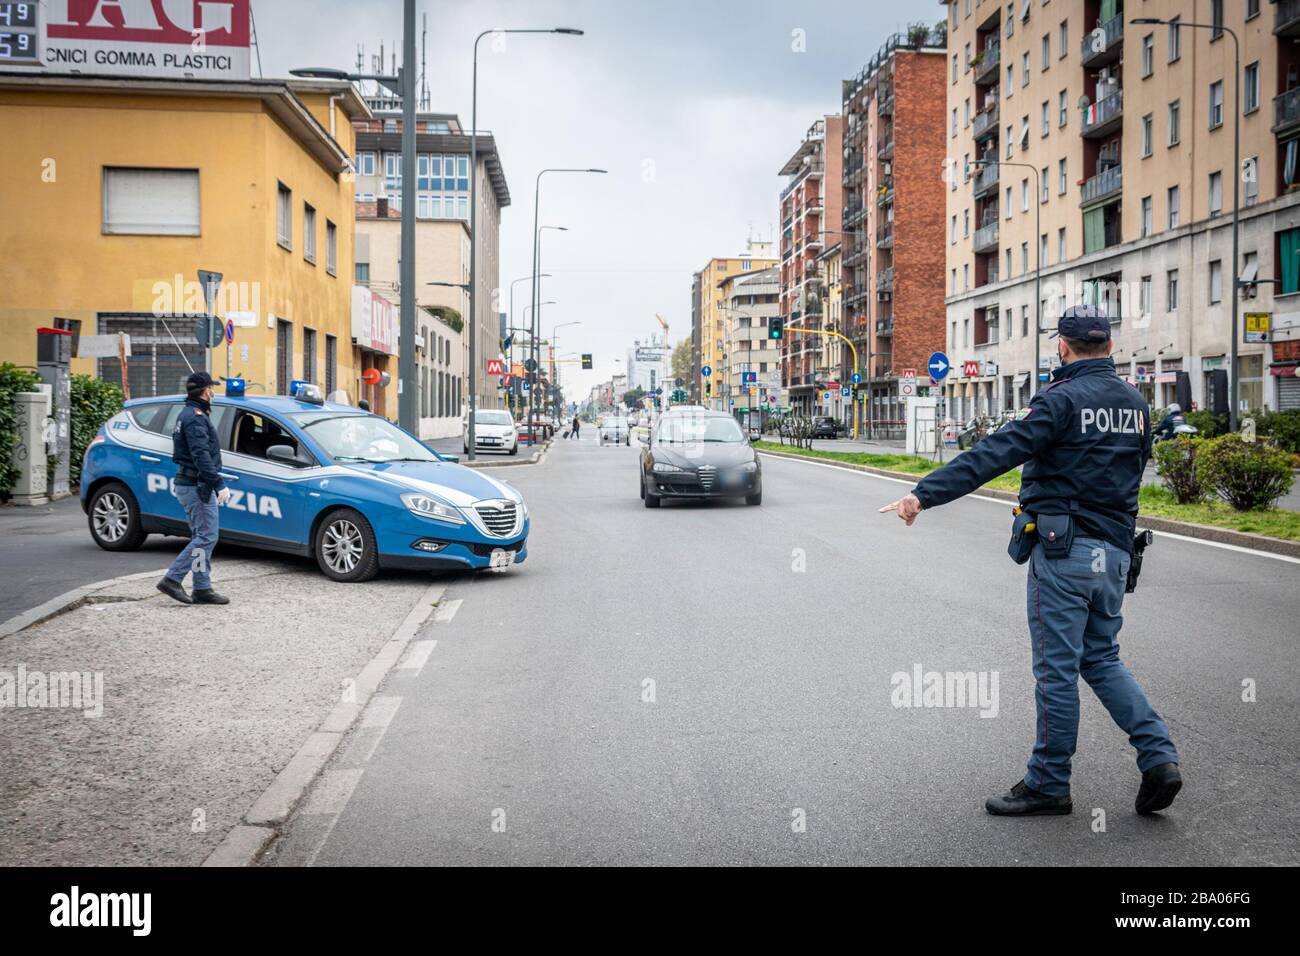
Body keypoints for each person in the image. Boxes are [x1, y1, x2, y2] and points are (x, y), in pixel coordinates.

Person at [880, 305, 1180, 817]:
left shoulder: (1059, 401)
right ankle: (1159, 757)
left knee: (1057, 671)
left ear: (1062, 346)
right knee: (1101, 658)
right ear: (1108, 346)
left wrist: (922, 495)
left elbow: (993, 454)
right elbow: (1130, 474)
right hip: (1113, 553)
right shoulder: (1136, 403)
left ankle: (1048, 783)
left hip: (1064, 555)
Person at [157, 372, 230, 605]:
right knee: (207, 536)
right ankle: (172, 578)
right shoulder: (195, 418)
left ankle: (201, 587)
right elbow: (201, 455)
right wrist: (218, 484)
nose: (214, 392)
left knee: (202, 537)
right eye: (212, 388)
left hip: (191, 484)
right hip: (197, 486)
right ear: (206, 391)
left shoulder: (189, 414)